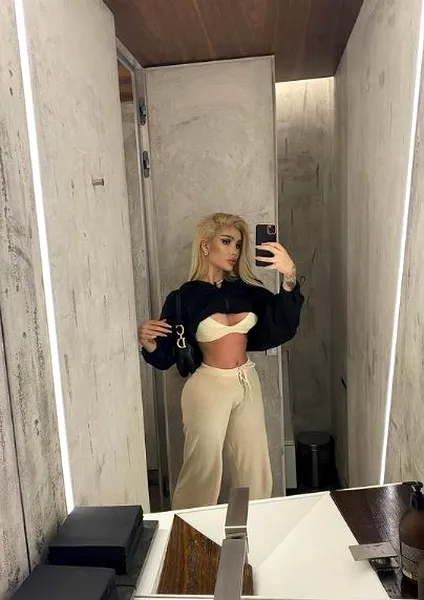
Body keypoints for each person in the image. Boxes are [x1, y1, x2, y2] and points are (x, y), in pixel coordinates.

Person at [138, 213, 304, 509]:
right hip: (208, 387)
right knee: (202, 472)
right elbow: (165, 357)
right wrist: (148, 340)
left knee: (255, 469)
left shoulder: (247, 291)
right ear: (205, 246)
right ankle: (190, 534)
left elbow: (284, 323)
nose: (233, 251)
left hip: (247, 382)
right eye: (226, 241)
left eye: (238, 245)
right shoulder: (183, 298)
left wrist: (289, 276)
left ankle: (252, 530)